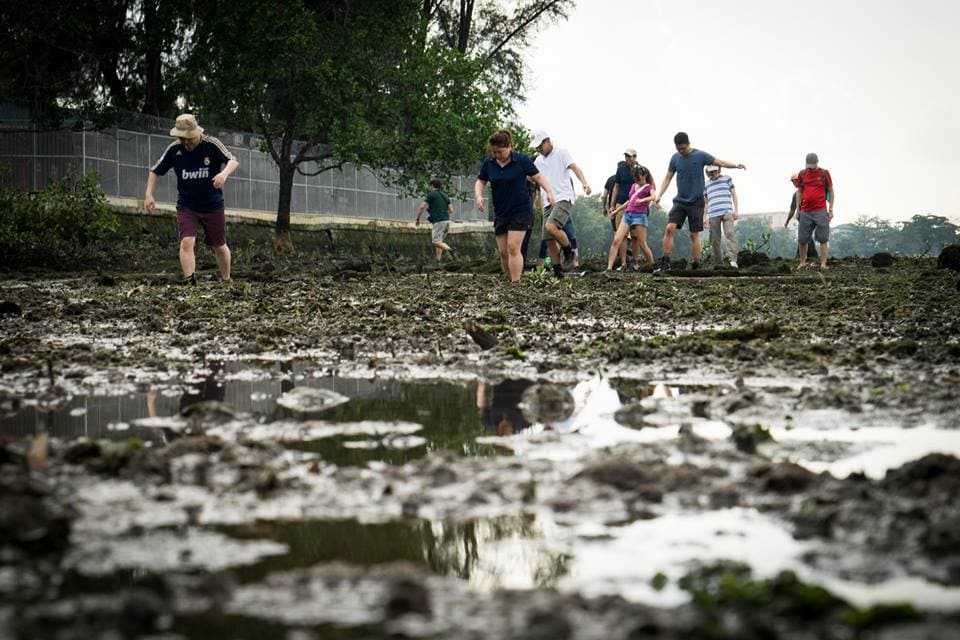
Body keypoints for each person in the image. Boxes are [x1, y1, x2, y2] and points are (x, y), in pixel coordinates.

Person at [145, 114, 239, 284]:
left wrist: (223, 174)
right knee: (187, 241)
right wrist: (149, 195)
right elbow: (155, 171)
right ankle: (190, 281)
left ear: (196, 133)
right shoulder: (174, 150)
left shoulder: (211, 144)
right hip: (187, 206)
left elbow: (233, 161)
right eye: (182, 139)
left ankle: (226, 279)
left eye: (188, 139)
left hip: (213, 205)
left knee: (219, 245)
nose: (186, 142)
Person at [653, 132, 745, 273]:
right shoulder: (675, 158)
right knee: (670, 228)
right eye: (678, 149)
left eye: (683, 148)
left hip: (696, 202)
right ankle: (665, 262)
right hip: (680, 201)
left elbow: (721, 163)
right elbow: (668, 177)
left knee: (694, 234)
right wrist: (659, 195)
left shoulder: (700, 156)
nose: (681, 152)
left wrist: (736, 165)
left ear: (689, 144)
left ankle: (696, 264)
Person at [475, 129, 556, 283]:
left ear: (510, 146)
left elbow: (538, 176)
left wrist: (549, 192)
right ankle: (509, 278)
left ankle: (516, 282)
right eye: (494, 152)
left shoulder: (522, 160)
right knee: (503, 252)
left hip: (521, 210)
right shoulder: (489, 163)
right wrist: (479, 196)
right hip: (501, 212)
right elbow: (481, 181)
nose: (497, 155)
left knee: (513, 248)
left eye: (500, 152)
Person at [531, 131, 591, 277]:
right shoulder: (538, 161)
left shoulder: (562, 153)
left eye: (540, 146)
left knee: (551, 227)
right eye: (536, 148)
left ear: (547, 141)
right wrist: (539, 202)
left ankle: (568, 250)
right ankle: (558, 270)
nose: (538, 150)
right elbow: (537, 183)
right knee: (548, 238)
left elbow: (575, 168)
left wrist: (584, 183)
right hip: (547, 201)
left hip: (563, 197)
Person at [606, 164, 656, 271]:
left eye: (639, 177)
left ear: (644, 176)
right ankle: (609, 268)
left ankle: (653, 266)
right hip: (628, 214)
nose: (637, 180)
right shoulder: (634, 186)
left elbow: (653, 197)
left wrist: (642, 200)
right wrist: (616, 211)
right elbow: (629, 201)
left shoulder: (648, 187)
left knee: (642, 244)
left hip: (640, 216)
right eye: (635, 177)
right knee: (617, 240)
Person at [794, 152, 834, 270]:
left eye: (812, 165)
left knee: (823, 238)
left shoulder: (824, 173)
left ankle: (823, 264)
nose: (810, 168)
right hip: (805, 211)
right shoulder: (802, 174)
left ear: (817, 163)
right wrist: (798, 209)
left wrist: (830, 209)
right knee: (802, 239)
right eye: (809, 165)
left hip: (820, 210)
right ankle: (802, 262)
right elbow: (799, 191)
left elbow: (831, 191)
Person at [703, 164, 739, 269]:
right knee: (715, 239)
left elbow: (734, 194)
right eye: (711, 171)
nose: (714, 173)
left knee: (730, 234)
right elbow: (706, 202)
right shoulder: (706, 184)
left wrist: (736, 210)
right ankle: (719, 264)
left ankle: (733, 261)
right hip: (713, 213)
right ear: (708, 172)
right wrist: (704, 217)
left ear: (719, 169)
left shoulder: (727, 179)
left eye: (715, 170)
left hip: (727, 211)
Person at [609, 149, 638, 268]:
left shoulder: (640, 170)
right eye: (626, 157)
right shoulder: (621, 169)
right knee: (622, 236)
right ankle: (623, 263)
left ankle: (635, 262)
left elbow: (648, 186)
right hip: (621, 204)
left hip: (636, 206)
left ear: (635, 157)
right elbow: (616, 187)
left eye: (630, 157)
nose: (627, 159)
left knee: (635, 236)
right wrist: (612, 205)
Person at [415, 179, 454, 261]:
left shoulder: (431, 195)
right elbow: (451, 210)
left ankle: (451, 251)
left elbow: (422, 207)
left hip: (439, 222)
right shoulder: (445, 195)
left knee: (435, 242)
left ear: (432, 186)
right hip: (447, 221)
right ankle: (438, 260)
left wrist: (418, 218)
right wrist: (442, 212)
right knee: (440, 242)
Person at [784, 173, 818, 259]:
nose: (793, 184)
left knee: (805, 236)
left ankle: (809, 255)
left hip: (810, 217)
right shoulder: (796, 195)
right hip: (803, 219)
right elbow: (792, 209)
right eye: (792, 182)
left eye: (794, 182)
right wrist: (787, 221)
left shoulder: (809, 191)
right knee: (804, 236)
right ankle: (804, 255)